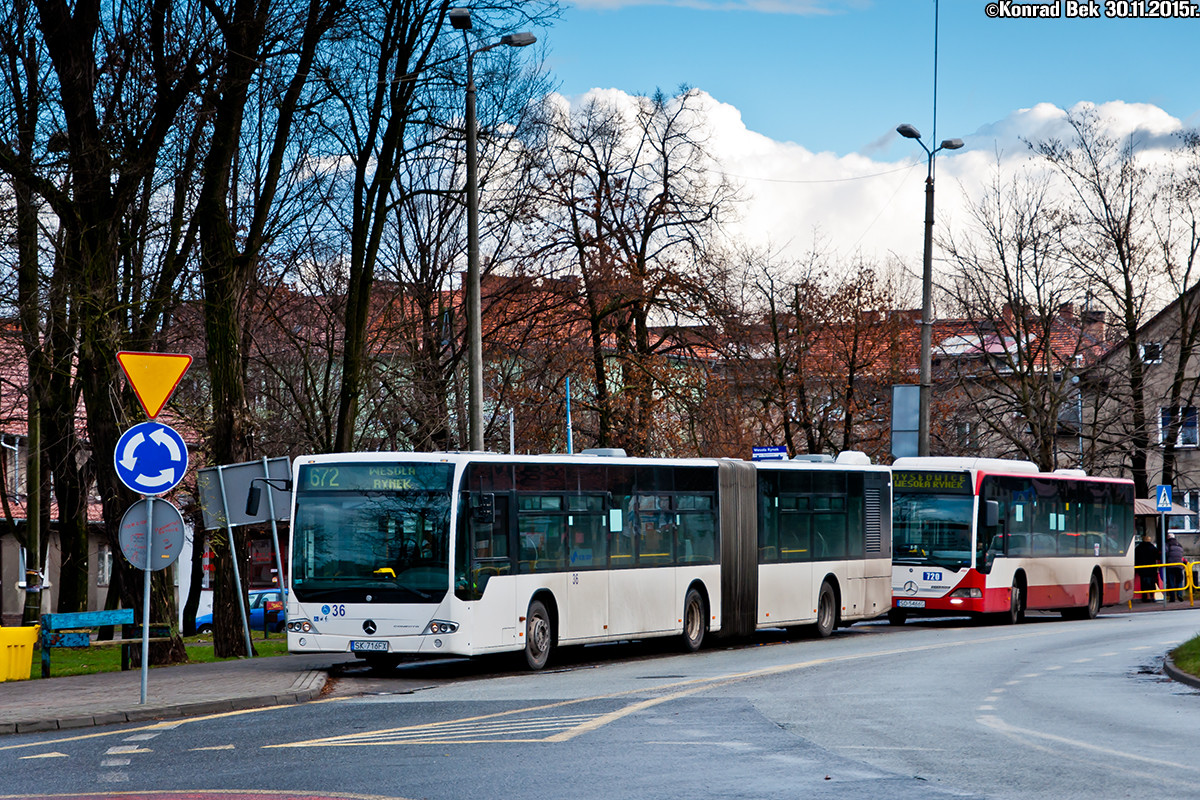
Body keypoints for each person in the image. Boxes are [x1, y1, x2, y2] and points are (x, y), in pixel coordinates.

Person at [1134, 532, 1161, 603]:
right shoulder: (1153, 548)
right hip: (1152, 568)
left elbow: (1135, 558)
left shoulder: (1138, 548)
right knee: (1152, 582)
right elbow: (1158, 556)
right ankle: (1153, 597)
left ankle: (1147, 596)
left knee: (1144, 583)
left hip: (1142, 568)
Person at [1165, 533, 1186, 601]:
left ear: (1168, 537)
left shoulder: (1167, 544)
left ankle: (1172, 597)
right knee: (1179, 581)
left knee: (1171, 581)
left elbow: (1165, 553)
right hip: (1180, 565)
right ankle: (1179, 594)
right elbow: (1181, 554)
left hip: (1170, 565)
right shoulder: (1179, 545)